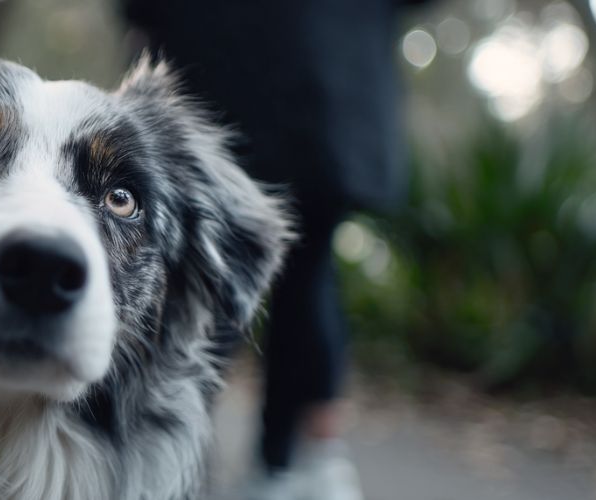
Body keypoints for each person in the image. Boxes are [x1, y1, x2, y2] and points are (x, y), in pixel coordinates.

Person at [123, 1, 429, 499]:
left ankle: (165, 458)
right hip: (332, 90)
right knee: (303, 273)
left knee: (212, 281)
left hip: (229, 77)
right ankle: (290, 463)